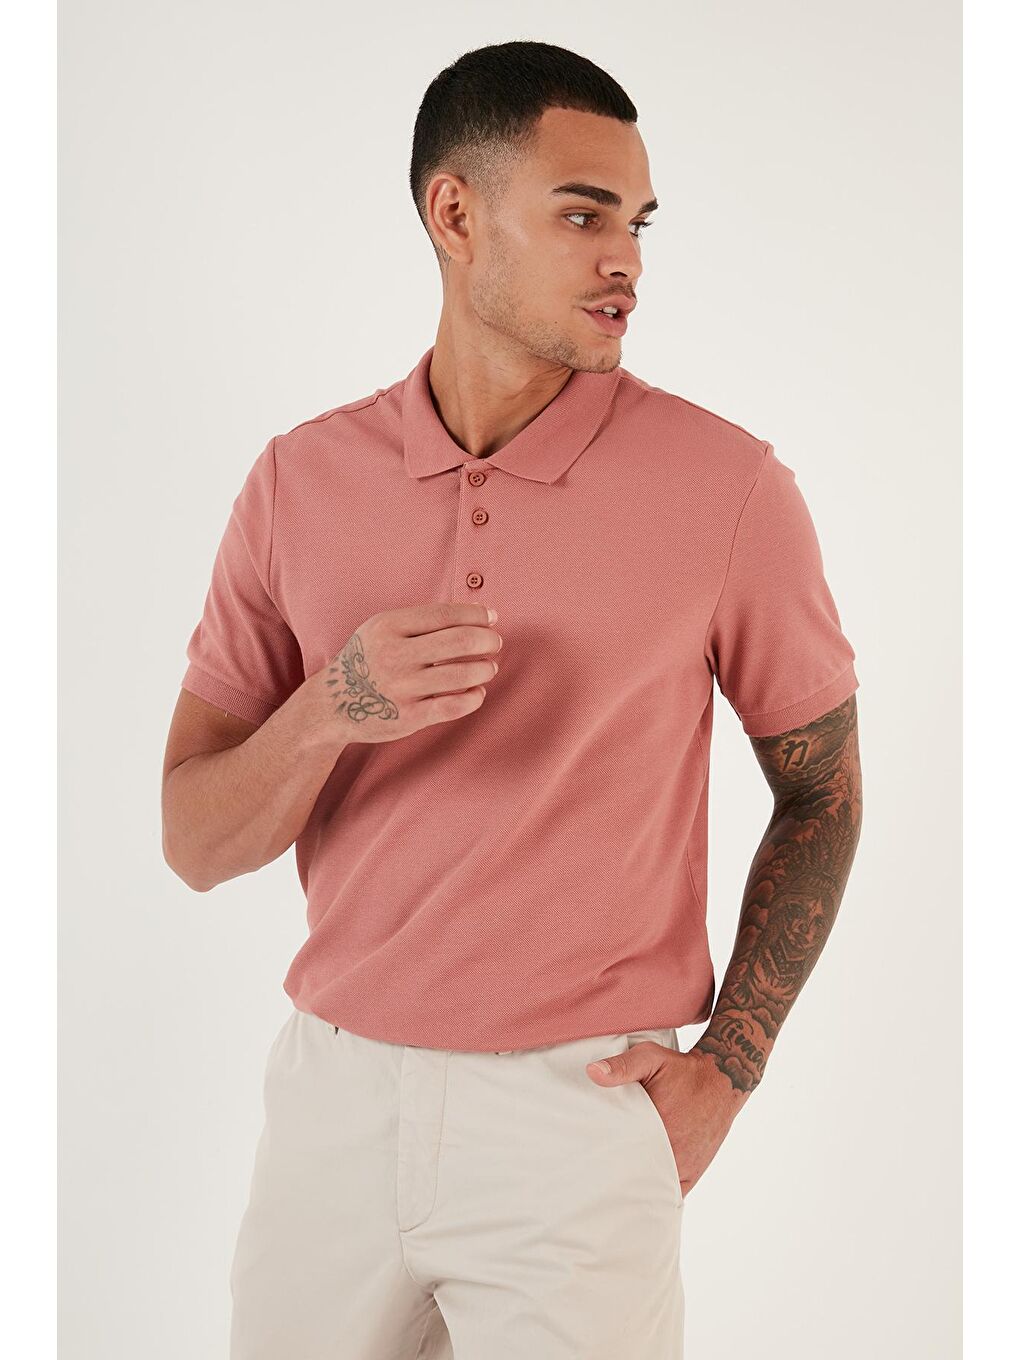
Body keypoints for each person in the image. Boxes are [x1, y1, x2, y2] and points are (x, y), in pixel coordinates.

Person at [161, 38, 863, 1360]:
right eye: (584, 215)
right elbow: (193, 842)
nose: (627, 260)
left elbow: (823, 792)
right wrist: (329, 709)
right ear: (455, 213)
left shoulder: (730, 489)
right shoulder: (297, 482)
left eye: (639, 223)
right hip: (332, 1103)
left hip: (576, 1114)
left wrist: (730, 1067)